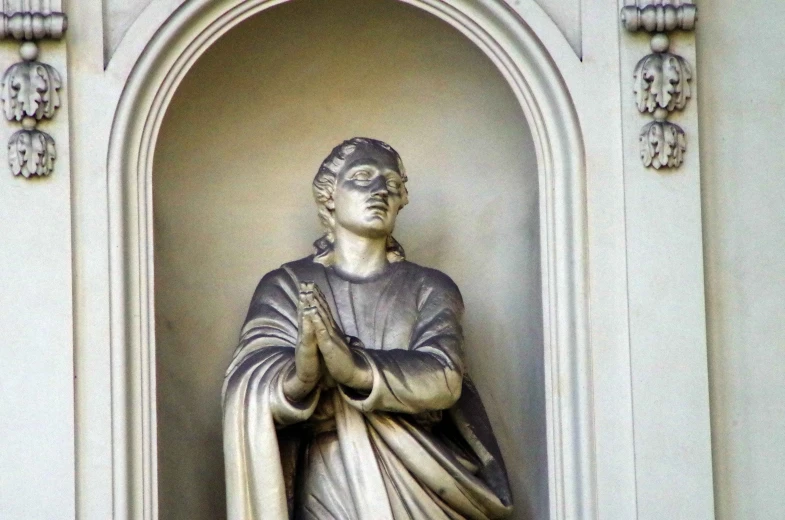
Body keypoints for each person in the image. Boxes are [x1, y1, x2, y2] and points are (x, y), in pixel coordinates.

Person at [222, 137, 513, 519]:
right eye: (363, 177)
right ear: (329, 195)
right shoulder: (288, 285)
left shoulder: (430, 287)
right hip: (333, 475)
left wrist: (354, 368)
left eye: (393, 185)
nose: (381, 191)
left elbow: (444, 376)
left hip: (425, 478)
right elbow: (248, 379)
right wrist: (302, 375)